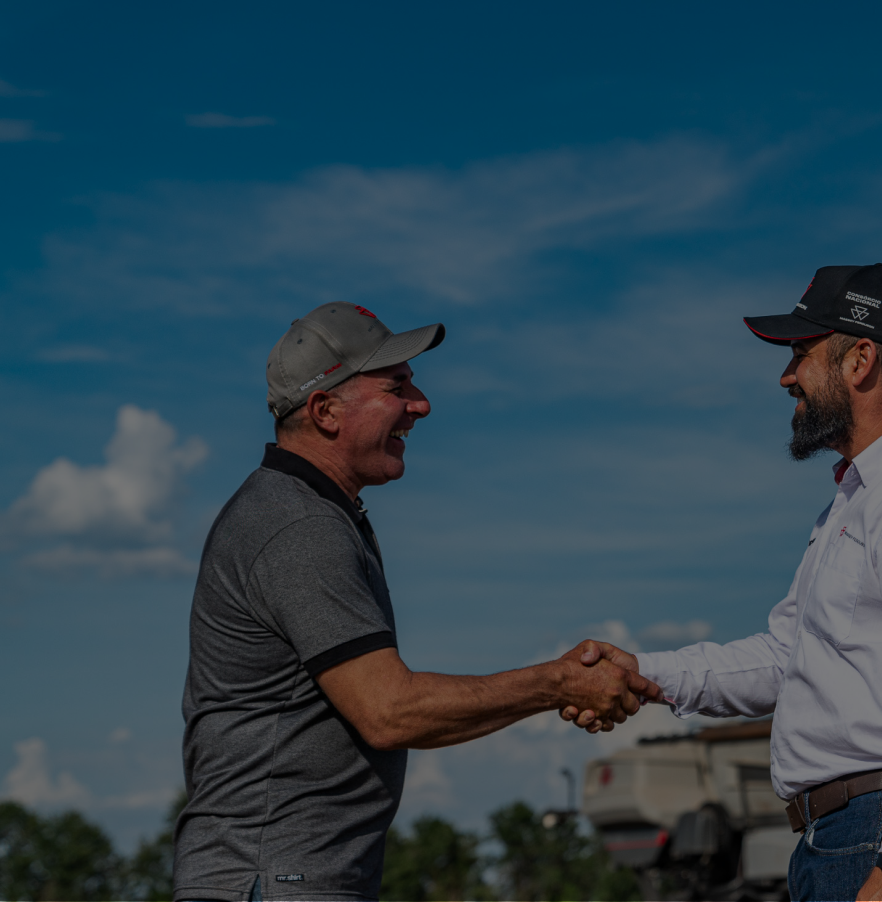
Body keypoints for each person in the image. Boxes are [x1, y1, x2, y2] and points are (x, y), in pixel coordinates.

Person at [175, 301, 656, 902]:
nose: (421, 403)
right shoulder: (299, 526)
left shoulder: (306, 513)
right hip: (272, 881)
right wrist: (557, 684)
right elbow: (390, 712)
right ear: (326, 411)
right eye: (396, 386)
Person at [571, 265, 882, 901]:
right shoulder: (861, 501)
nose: (786, 377)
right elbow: (789, 658)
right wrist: (645, 675)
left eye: (801, 354)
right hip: (845, 835)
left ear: (860, 359)